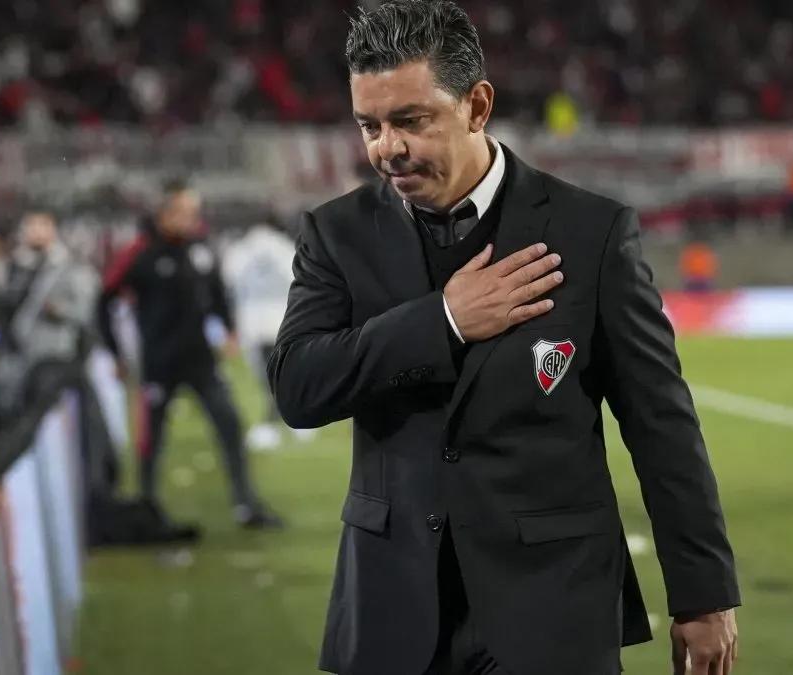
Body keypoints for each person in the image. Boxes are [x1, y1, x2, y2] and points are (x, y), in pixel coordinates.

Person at [267, 3, 740, 675]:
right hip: (393, 609)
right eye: (369, 125)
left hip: (554, 606)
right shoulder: (335, 235)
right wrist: (443, 320)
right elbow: (297, 386)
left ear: (477, 106)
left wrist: (703, 594)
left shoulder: (590, 233)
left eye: (411, 120)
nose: (386, 148)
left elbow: (661, 423)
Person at [98, 184, 283, 529]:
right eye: (184, 212)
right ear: (164, 214)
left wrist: (227, 328)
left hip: (201, 360)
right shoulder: (140, 253)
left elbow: (216, 292)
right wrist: (116, 353)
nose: (192, 219)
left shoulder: (200, 249)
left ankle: (246, 504)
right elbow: (104, 299)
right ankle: (148, 506)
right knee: (151, 440)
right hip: (159, 364)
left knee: (230, 425)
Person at [221, 220, 315, 450]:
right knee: (284, 375)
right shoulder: (285, 247)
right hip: (284, 318)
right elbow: (303, 283)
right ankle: (293, 420)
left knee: (268, 378)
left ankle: (272, 424)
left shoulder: (239, 250)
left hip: (252, 321)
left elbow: (228, 285)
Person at [0, 209, 97, 403]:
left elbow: (86, 312)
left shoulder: (70, 266)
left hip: (53, 354)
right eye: (30, 226)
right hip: (17, 354)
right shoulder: (15, 266)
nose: (35, 231)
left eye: (41, 225)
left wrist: (60, 310)